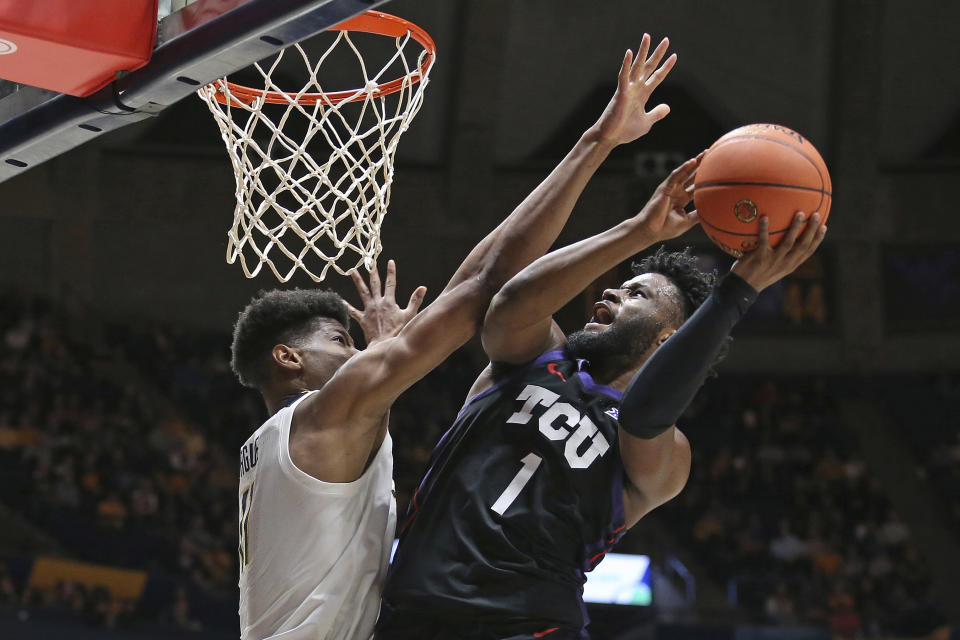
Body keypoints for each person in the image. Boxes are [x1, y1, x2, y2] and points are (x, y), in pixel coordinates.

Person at [229, 35, 679, 640]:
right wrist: (597, 146)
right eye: (341, 339)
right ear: (289, 359)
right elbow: (487, 283)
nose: (359, 350)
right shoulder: (328, 414)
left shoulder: (287, 442)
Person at [378, 155, 828, 638]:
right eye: (619, 285)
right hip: (411, 611)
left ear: (667, 339)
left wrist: (738, 291)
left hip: (529, 625)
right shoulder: (535, 356)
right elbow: (510, 302)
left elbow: (644, 415)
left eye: (636, 295)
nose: (612, 292)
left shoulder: (669, 453)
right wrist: (639, 231)